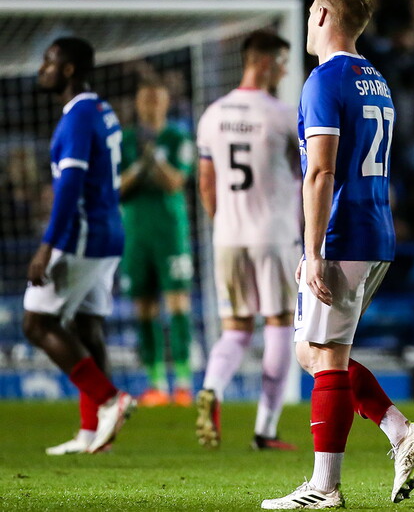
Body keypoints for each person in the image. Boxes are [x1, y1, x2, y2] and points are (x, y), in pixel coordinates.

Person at [261, 0, 414, 509]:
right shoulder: (375, 79)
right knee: (312, 352)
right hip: (376, 228)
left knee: (327, 358)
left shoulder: (324, 80)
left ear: (319, 14)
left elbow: (320, 170)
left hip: (344, 233)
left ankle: (324, 487)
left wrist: (312, 250)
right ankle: (399, 431)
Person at [22, 37, 135, 455]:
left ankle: (110, 400)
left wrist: (47, 246)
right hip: (109, 235)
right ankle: (93, 435)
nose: (42, 70)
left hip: (82, 237)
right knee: (87, 328)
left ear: (68, 69)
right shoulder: (102, 110)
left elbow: (70, 185)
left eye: (48, 62)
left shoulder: (76, 117)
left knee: (36, 324)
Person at [193, 31, 300, 451]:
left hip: (227, 236)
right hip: (273, 234)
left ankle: (212, 389)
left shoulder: (212, 114)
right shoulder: (281, 115)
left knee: (235, 329)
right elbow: (306, 174)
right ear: (267, 62)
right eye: (283, 61)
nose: (286, 70)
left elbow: (206, 183)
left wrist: (223, 223)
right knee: (278, 323)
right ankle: (265, 430)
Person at [118, 80, 195, 407]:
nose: (151, 106)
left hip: (169, 233)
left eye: (156, 100)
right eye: (145, 100)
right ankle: (155, 384)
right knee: (144, 308)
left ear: (165, 104)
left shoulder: (179, 139)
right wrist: (141, 163)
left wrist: (155, 160)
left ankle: (183, 382)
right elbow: (117, 188)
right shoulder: (124, 141)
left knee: (178, 304)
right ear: (138, 104)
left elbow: (176, 182)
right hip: (135, 234)